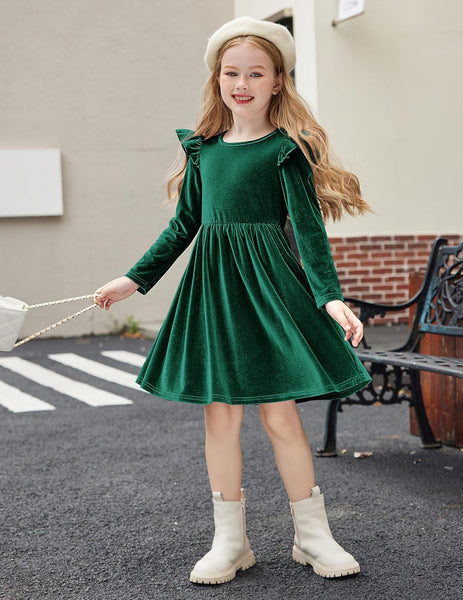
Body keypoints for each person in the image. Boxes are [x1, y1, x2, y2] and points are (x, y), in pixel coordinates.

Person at [95, 16, 372, 585]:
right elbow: (183, 227)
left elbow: (309, 232)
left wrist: (329, 298)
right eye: (231, 73)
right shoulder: (204, 153)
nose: (241, 83)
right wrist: (133, 280)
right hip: (214, 293)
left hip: (270, 292)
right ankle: (231, 541)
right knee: (219, 415)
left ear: (278, 81)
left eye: (255, 73)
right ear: (217, 79)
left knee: (279, 414)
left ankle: (313, 536)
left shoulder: (285, 151)